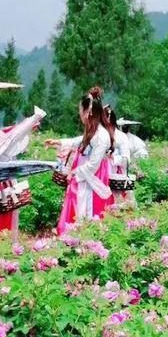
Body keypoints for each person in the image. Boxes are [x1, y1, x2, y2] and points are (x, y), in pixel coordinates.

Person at [47, 86, 115, 235]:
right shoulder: (93, 132)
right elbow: (78, 141)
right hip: (84, 179)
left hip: (90, 180)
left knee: (86, 211)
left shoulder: (101, 136)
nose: (79, 114)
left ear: (88, 112)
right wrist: (57, 142)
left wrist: (73, 173)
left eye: (80, 110)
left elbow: (92, 166)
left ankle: (82, 239)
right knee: (78, 208)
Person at [106, 106, 132, 207]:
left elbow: (127, 160)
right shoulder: (98, 135)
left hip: (115, 177)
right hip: (99, 175)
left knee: (116, 205)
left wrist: (114, 158)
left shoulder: (121, 137)